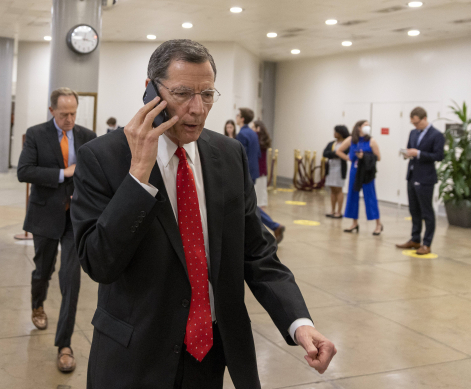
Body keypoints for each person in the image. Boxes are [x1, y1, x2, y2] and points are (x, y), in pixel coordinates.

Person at [71, 39, 336, 389]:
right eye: (183, 93)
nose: (197, 109)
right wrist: (137, 176)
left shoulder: (228, 155)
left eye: (208, 94)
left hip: (209, 354)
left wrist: (298, 322)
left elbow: (256, 252)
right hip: (135, 355)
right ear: (150, 90)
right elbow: (98, 262)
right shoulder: (102, 157)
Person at [17, 87, 96, 373]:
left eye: (73, 113)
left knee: (71, 279)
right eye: (63, 114)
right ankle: (37, 304)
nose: (69, 119)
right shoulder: (36, 134)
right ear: (52, 111)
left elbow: (95, 174)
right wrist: (64, 173)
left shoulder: (88, 136)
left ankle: (65, 345)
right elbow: (24, 171)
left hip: (75, 219)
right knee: (43, 270)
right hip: (45, 215)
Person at [396, 107, 445, 255]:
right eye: (413, 123)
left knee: (426, 211)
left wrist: (418, 153)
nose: (415, 126)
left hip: (426, 178)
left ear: (424, 119)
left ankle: (427, 243)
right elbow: (410, 149)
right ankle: (415, 239)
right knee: (414, 210)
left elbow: (438, 156)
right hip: (412, 175)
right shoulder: (413, 132)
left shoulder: (437, 135)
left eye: (417, 123)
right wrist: (407, 154)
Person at [235, 109, 285, 243]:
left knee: (247, 204)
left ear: (242, 119)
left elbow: (240, 156)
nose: (236, 117)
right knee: (248, 203)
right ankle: (273, 226)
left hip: (245, 173)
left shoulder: (242, 134)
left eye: (238, 115)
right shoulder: (253, 133)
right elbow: (257, 154)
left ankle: (272, 227)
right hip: (254, 172)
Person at [336, 120, 383, 235]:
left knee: (370, 196)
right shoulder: (351, 140)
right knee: (352, 196)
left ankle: (378, 224)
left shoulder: (372, 141)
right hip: (354, 171)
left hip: (367, 172)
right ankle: (354, 223)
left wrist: (364, 156)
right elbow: (339, 151)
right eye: (365, 125)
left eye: (368, 125)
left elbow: (378, 157)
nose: (368, 127)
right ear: (358, 128)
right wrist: (349, 158)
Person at [323, 125, 350, 218]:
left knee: (338, 189)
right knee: (332, 189)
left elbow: (344, 153)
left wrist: (335, 154)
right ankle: (332, 210)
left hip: (339, 168)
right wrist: (335, 154)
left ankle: (339, 211)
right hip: (331, 168)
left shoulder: (346, 143)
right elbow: (325, 153)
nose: (334, 134)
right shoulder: (332, 143)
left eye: (336, 132)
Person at [252, 120, 271, 209]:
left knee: (259, 193)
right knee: (261, 192)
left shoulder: (257, 140)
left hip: (258, 169)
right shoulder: (264, 140)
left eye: (253, 127)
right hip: (262, 169)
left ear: (258, 129)